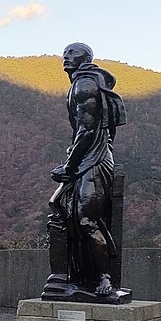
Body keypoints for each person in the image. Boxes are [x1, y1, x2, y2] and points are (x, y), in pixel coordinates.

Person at [43, 43, 128, 301]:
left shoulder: (85, 84)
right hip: (85, 159)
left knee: (86, 220)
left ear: (86, 58)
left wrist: (69, 166)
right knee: (60, 207)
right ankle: (71, 277)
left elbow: (87, 129)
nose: (66, 58)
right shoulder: (83, 83)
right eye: (64, 54)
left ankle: (104, 277)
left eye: (72, 53)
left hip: (93, 160)